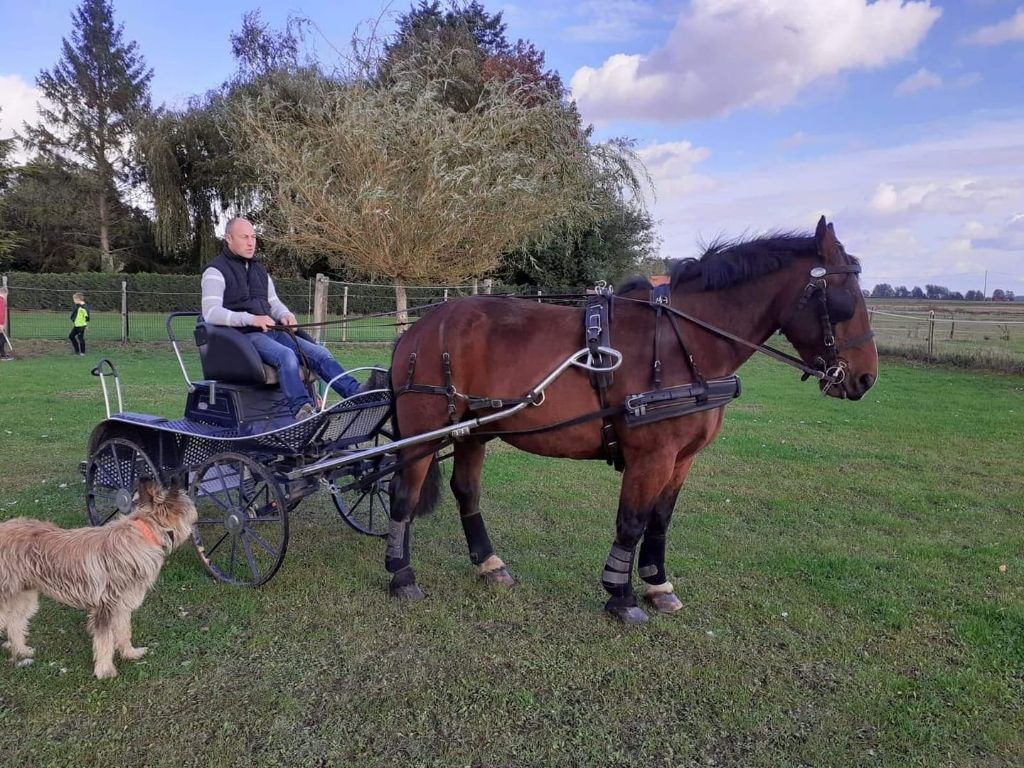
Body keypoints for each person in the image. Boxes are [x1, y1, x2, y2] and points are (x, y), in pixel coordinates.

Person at [201, 217, 367, 420]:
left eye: (253, 237)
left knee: (321, 354)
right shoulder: (215, 271)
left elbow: (274, 303)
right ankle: (302, 409)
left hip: (273, 332)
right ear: (228, 238)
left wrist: (286, 315)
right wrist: (251, 319)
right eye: (244, 237)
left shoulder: (260, 271)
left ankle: (357, 393)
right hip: (243, 338)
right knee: (286, 356)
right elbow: (210, 312)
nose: (251, 242)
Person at [69, 292, 90, 356]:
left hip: (81, 326)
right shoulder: (77, 306)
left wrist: (86, 325)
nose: (73, 301)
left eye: (74, 299)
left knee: (80, 338)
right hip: (76, 325)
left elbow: (87, 316)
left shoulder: (84, 307)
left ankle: (82, 352)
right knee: (71, 336)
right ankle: (77, 351)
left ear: (78, 299)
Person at [0, 286, 14, 360]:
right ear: (5, 293)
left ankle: (2, 354)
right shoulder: (1, 300)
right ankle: (2, 355)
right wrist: (1, 324)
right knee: (2, 339)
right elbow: (1, 313)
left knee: (1, 338)